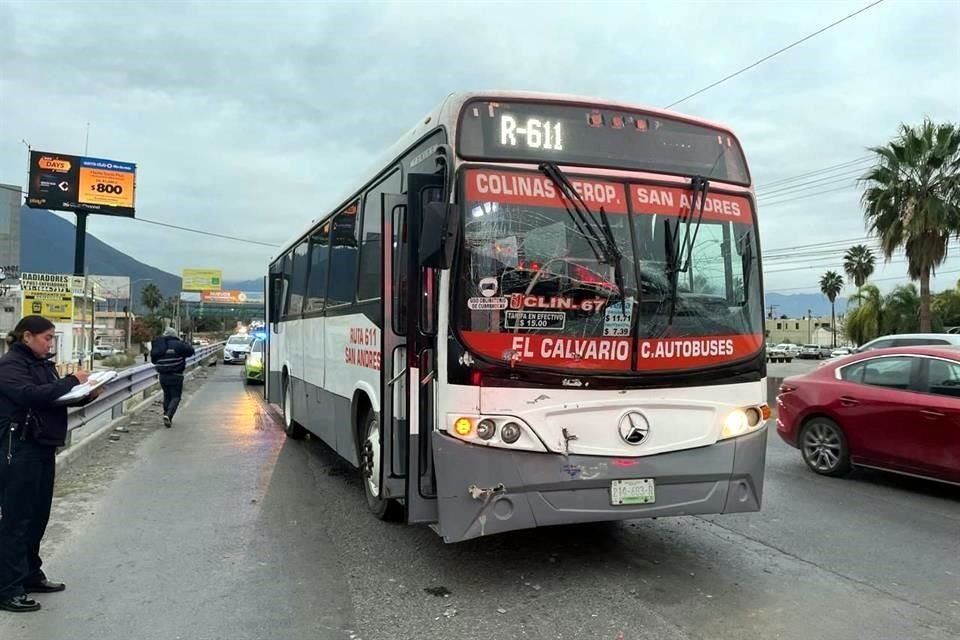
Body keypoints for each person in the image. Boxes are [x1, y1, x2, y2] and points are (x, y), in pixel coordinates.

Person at [0, 316, 97, 612]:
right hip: (19, 448)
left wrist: (85, 395)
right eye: (47, 338)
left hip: (42, 445)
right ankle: (7, 588)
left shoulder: (42, 364)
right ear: (27, 336)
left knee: (38, 515)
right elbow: (29, 395)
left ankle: (30, 574)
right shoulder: (10, 365)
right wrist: (72, 381)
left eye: (53, 338)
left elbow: (52, 398)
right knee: (17, 519)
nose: (51, 343)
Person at [150, 327, 194, 428]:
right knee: (176, 396)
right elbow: (191, 351)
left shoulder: (159, 345)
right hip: (176, 375)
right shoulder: (178, 344)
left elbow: (153, 360)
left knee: (167, 395)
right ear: (175, 335)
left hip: (163, 376)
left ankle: (166, 414)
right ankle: (168, 415)